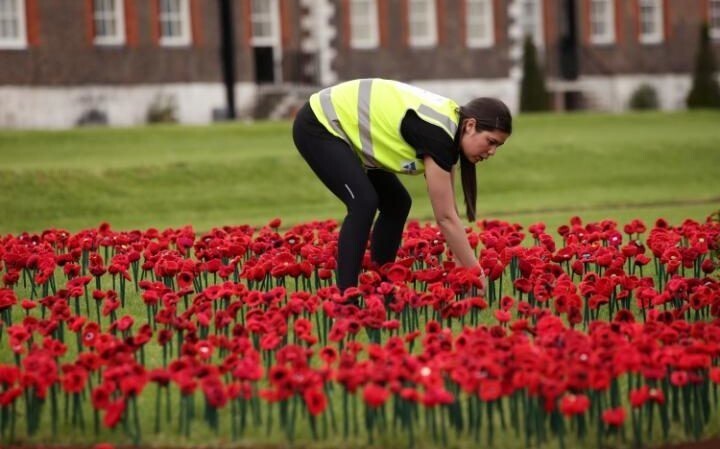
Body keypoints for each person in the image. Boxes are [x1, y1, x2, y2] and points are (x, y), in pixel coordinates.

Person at [292, 78, 512, 297]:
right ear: (471, 125)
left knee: (397, 203)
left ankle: (382, 288)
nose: (492, 152)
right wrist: (476, 273)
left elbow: (449, 210)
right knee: (363, 203)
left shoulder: (450, 129)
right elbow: (445, 218)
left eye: (498, 146)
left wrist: (463, 268)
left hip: (346, 129)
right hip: (319, 124)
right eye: (491, 141)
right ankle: (346, 300)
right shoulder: (439, 135)